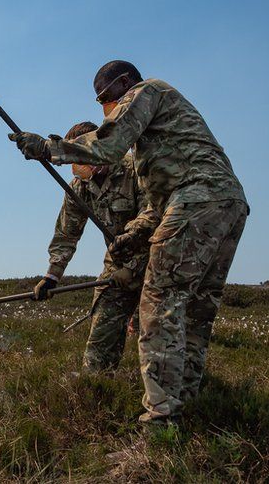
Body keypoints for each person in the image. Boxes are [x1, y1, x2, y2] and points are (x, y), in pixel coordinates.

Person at [9, 60, 248, 424]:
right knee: (196, 311)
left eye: (106, 99)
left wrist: (47, 148)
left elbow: (108, 144)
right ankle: (184, 401)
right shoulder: (154, 148)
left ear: (124, 84)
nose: (107, 109)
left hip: (197, 200)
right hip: (226, 203)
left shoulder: (146, 91)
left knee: (158, 305)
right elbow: (156, 208)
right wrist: (130, 237)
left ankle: (161, 421)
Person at [35, 121, 154, 373]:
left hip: (159, 258)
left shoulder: (135, 168)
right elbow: (67, 233)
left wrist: (134, 268)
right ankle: (97, 381)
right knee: (104, 317)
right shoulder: (80, 188)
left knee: (160, 334)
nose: (75, 166)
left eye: (80, 156)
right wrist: (52, 276)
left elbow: (155, 219)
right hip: (119, 261)